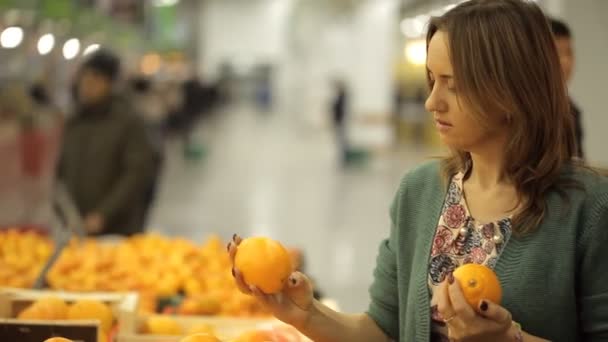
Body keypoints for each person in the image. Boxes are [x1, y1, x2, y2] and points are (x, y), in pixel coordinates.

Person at [227, 1, 608, 341]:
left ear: (510, 91)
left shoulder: (589, 208)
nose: (431, 102)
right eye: (431, 80)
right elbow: (382, 328)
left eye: (452, 85)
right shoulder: (420, 191)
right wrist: (306, 314)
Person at [57, 50, 155, 236]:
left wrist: (104, 214)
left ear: (110, 84)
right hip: (78, 225)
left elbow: (136, 173)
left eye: (95, 80)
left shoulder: (127, 122)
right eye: (84, 79)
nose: (87, 86)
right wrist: (65, 211)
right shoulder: (74, 121)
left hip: (118, 228)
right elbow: (63, 169)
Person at [549, 17, 584, 160]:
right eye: (558, 53)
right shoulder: (529, 110)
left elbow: (578, 162)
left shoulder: (572, 109)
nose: (566, 61)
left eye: (569, 53)